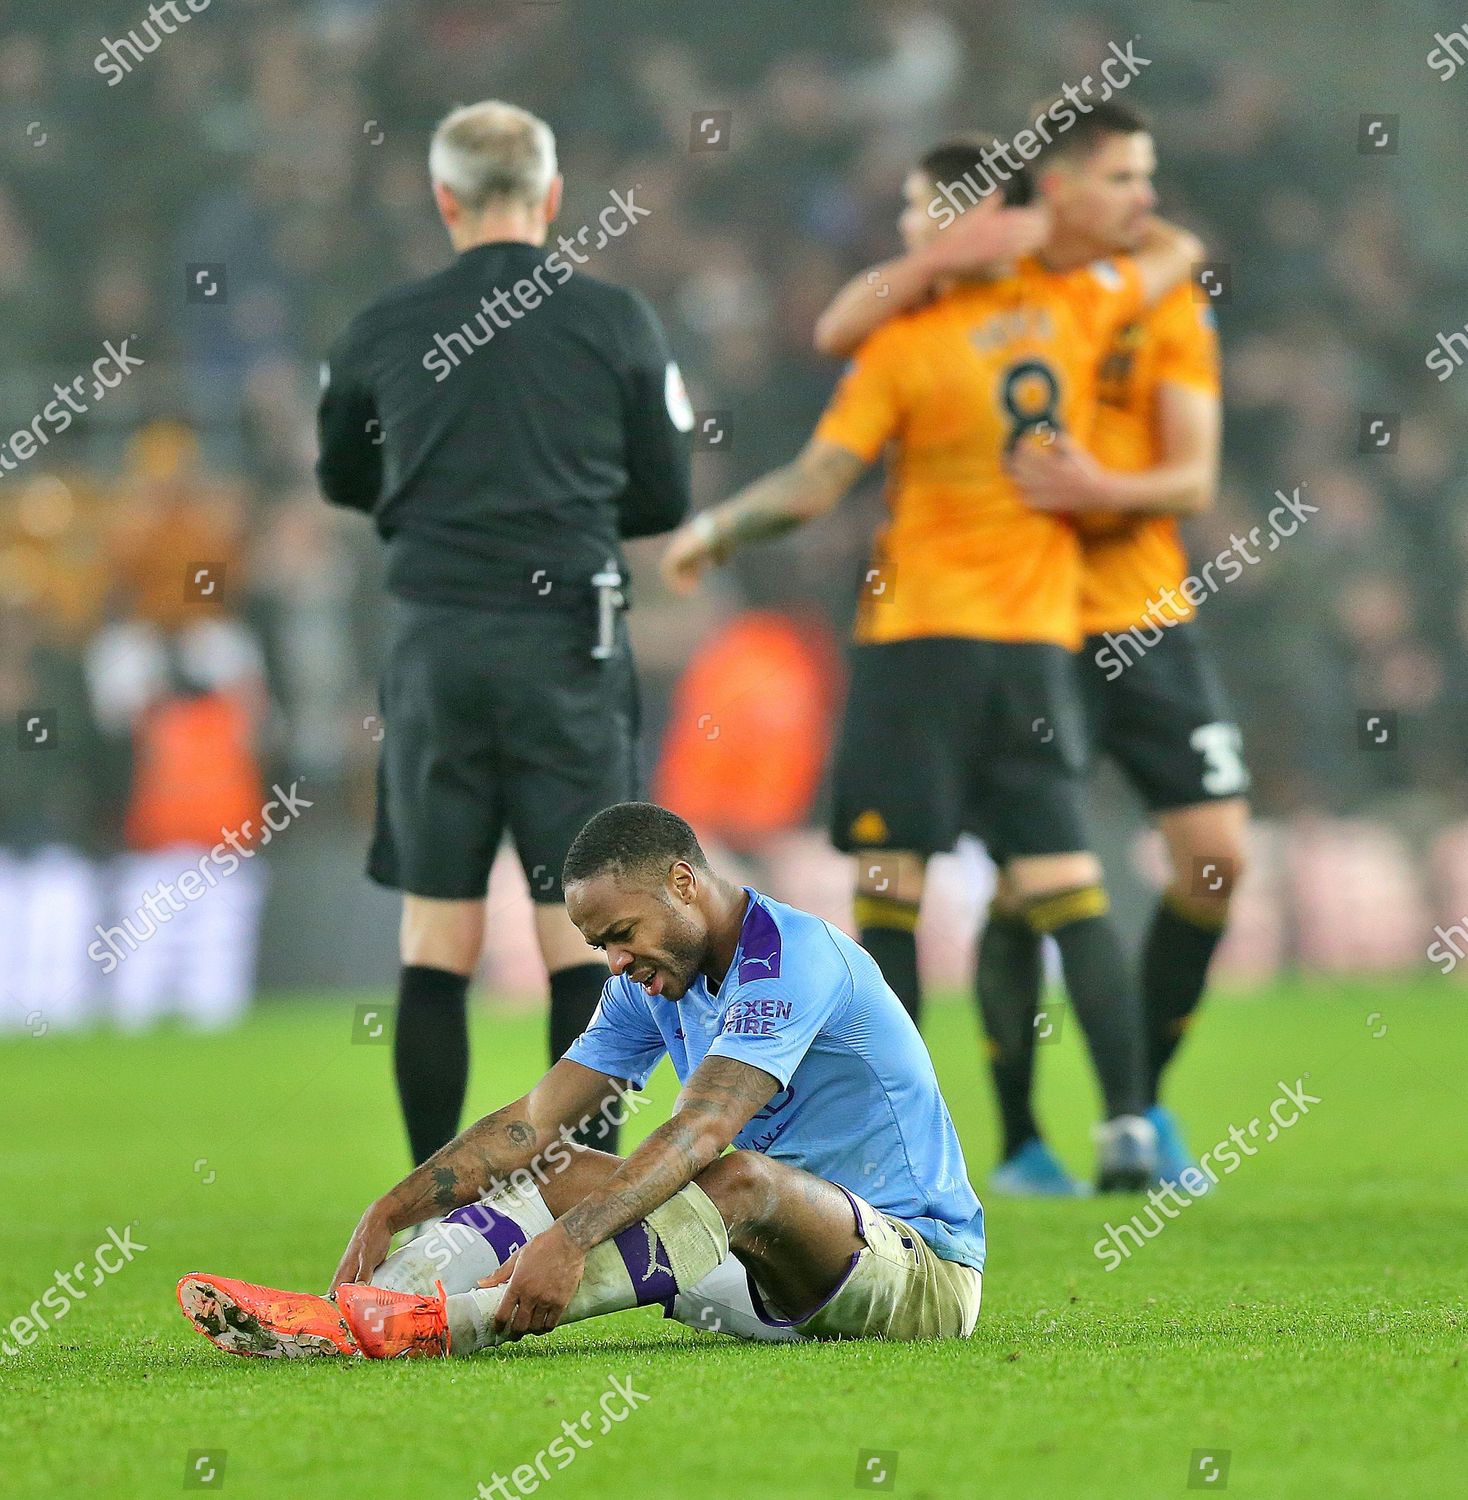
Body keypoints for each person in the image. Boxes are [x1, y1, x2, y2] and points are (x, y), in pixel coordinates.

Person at [660, 135, 1204, 1189]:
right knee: (1064, 884)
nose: (907, 226)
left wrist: (714, 528)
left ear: (956, 218)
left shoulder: (910, 339)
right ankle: (1129, 1124)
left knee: (888, 886)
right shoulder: (1077, 305)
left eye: (920, 210)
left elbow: (817, 483)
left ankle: (895, 1143)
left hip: (917, 647)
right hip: (1036, 650)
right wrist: (1041, 234)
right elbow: (1175, 248)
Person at [815, 103, 1248, 1195]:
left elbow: (1193, 477)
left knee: (1213, 861)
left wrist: (1108, 490)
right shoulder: (998, 289)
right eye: (1122, 179)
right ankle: (1022, 1142)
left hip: (1144, 613)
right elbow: (858, 332)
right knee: (1031, 884)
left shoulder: (1155, 294)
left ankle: (1139, 1096)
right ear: (1056, 193)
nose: (1145, 200)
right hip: (1025, 624)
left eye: (1147, 180)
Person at [176, 802, 985, 1357]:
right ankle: (350, 1320)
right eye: (601, 946)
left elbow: (703, 1133)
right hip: (772, 1281)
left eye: (622, 934)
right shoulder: (651, 978)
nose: (617, 962)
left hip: (916, 1278)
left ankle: (456, 1325)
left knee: (732, 1175)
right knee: (556, 1167)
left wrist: (568, 1242)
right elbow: (532, 1124)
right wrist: (392, 1207)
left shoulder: (791, 961)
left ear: (682, 882)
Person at [315, 102, 692, 1165]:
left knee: (438, 934)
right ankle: (582, 1198)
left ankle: (423, 1211)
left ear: (443, 198)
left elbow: (345, 476)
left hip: (436, 648)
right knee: (589, 929)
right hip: (567, 644)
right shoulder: (615, 320)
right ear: (552, 195)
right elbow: (663, 495)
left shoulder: (379, 327)